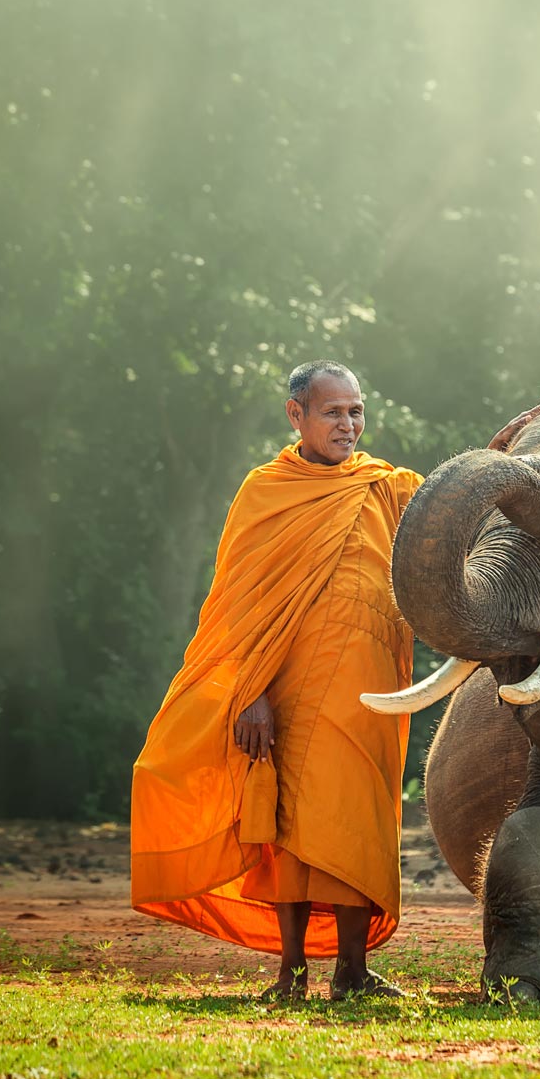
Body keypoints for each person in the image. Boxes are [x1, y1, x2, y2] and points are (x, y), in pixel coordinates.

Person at [130, 361, 423, 999]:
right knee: (290, 827)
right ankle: (291, 971)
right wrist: (252, 693)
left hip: (371, 688)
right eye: (332, 412)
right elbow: (238, 607)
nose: (348, 424)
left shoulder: (389, 487)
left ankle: (352, 970)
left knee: (359, 820)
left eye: (355, 411)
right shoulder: (265, 492)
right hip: (285, 689)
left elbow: (447, 536)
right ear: (296, 415)